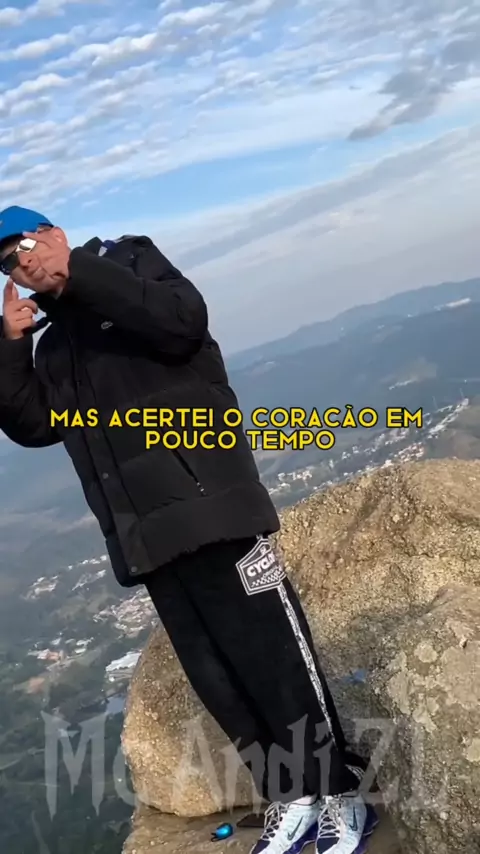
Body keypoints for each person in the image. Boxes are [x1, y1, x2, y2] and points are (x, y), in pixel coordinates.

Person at [0, 205, 376, 854]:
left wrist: (80, 271)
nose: (20, 263)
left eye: (25, 246)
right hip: (147, 536)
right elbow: (35, 425)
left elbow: (182, 323)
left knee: (276, 658)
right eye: (7, 262)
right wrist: (11, 346)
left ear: (55, 234)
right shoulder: (56, 345)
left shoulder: (129, 262)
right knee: (219, 677)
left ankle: (340, 791)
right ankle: (291, 795)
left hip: (213, 507)